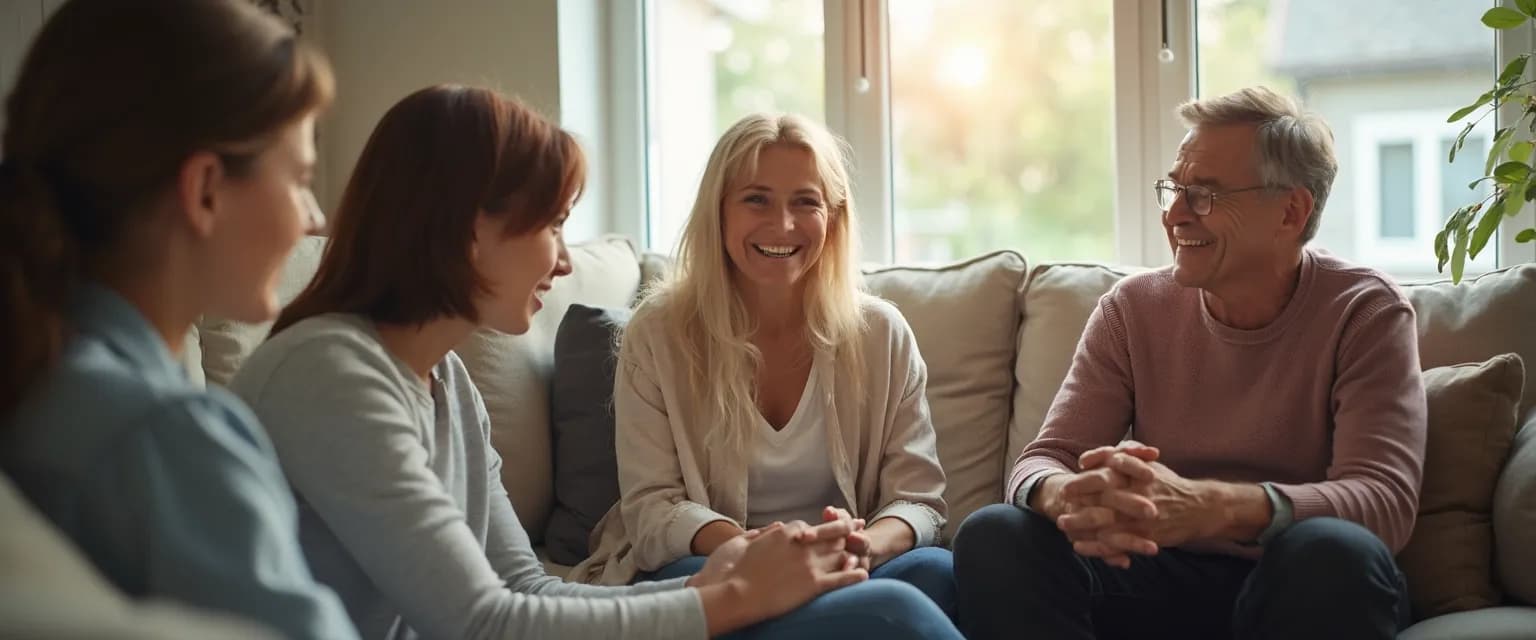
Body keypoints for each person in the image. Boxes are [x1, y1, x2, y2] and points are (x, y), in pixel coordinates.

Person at [229, 85, 903, 640]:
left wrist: (715, 581)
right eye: (551, 224)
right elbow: (482, 621)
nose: (564, 259)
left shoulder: (446, 385)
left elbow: (527, 587)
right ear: (466, 229)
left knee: (904, 597)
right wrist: (729, 599)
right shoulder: (330, 375)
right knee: (894, 614)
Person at [954, 86, 1426, 640]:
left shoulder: (1365, 312)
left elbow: (1384, 502)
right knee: (997, 533)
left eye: (1203, 194)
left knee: (1333, 553)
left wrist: (1216, 506)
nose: (1174, 214)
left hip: (1294, 580)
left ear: (1290, 211)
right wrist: (1068, 496)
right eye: (1173, 189)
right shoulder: (1131, 309)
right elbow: (1044, 460)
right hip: (1157, 573)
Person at [0, 1, 356, 638]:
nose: (315, 218)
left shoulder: (36, 383)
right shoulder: (168, 439)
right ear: (206, 191)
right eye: (301, 178)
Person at [573, 112, 961, 635]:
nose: (783, 225)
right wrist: (769, 554)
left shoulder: (881, 333)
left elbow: (918, 501)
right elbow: (652, 507)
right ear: (719, 212)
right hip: (720, 558)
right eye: (756, 199)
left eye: (806, 202)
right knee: (700, 584)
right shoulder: (659, 332)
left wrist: (860, 546)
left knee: (933, 572)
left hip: (850, 561)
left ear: (833, 217)